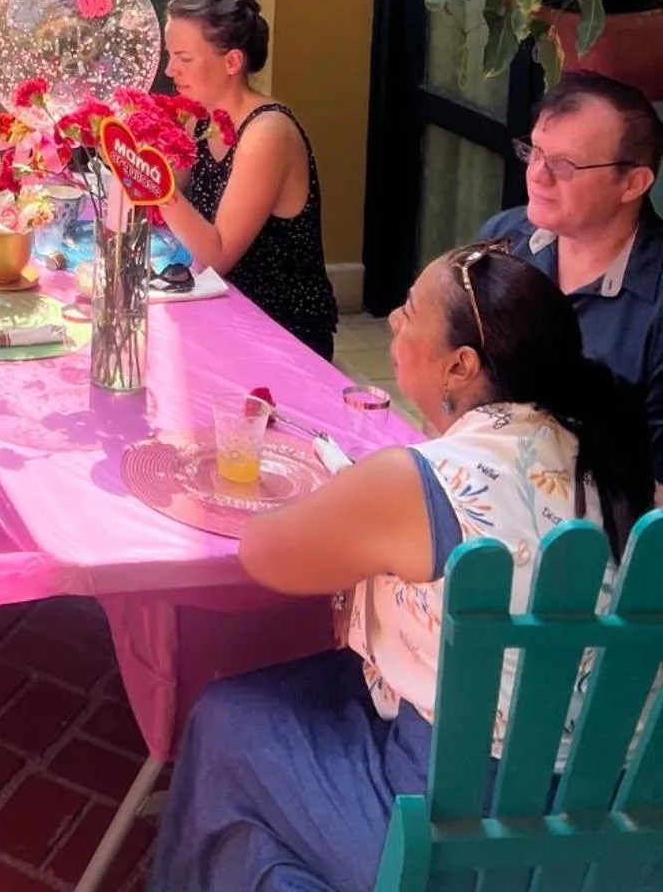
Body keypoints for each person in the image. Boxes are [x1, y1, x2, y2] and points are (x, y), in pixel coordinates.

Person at [147, 242, 654, 892]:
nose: (391, 320)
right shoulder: (613, 461)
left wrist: (327, 497)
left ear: (461, 365)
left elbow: (263, 554)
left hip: (451, 830)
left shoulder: (424, 481)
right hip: (605, 820)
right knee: (261, 836)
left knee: (225, 719)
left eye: (410, 311)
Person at [478, 68, 663, 487]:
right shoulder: (503, 241)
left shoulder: (656, 301)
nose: (537, 175)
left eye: (564, 164)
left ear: (633, 183)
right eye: (535, 151)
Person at [156, 0, 339, 359]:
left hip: (281, 333)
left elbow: (218, 254)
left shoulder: (266, 133)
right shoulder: (200, 116)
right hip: (222, 311)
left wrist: (151, 183)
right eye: (169, 55)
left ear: (232, 62)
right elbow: (161, 200)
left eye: (184, 58)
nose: (170, 69)